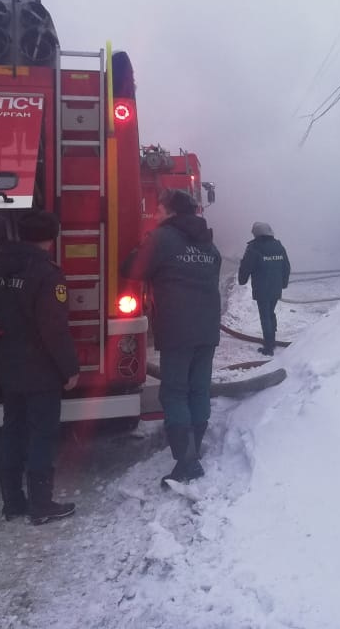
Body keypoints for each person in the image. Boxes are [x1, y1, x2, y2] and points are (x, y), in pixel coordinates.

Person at [0, 210, 80, 525]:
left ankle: (13, 503)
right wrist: (69, 368)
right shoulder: (46, 273)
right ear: (51, 238)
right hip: (40, 366)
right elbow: (53, 328)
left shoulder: (0, 267)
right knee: (42, 433)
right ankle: (41, 505)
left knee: (12, 430)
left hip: (9, 359)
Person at [126, 188, 221, 487]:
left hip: (177, 329)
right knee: (198, 389)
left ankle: (187, 461)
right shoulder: (209, 244)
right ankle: (194, 451)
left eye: (158, 209)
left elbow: (132, 270)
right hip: (207, 329)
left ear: (170, 212)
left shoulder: (161, 239)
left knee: (174, 393)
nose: (155, 215)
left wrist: (138, 249)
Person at [238, 221, 291, 356]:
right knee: (271, 313)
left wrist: (242, 280)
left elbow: (246, 266)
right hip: (275, 287)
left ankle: (269, 347)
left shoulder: (254, 248)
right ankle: (271, 340)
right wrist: (283, 283)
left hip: (262, 288)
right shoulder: (279, 246)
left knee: (265, 316)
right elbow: (286, 266)